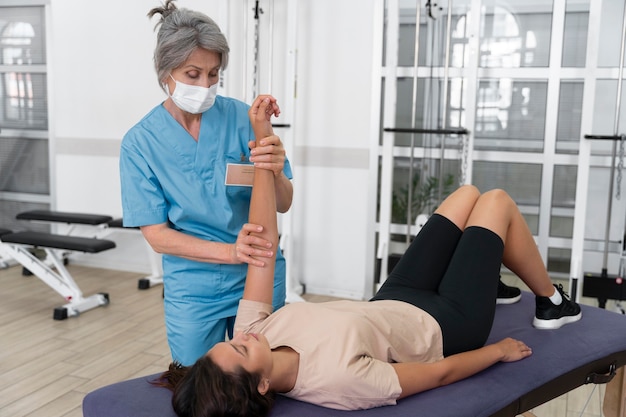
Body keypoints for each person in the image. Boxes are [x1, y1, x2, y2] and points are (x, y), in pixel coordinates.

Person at [154, 96, 582, 416]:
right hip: (448, 324)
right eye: (241, 351)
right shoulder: (339, 382)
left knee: (466, 195)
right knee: (496, 202)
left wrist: (262, 135)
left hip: (394, 298)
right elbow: (438, 374)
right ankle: (550, 301)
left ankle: (490, 276)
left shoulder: (254, 330)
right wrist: (497, 352)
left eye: (229, 343)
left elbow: (263, 247)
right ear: (263, 385)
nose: (241, 336)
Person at [119, 0, 293, 366]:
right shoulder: (141, 142)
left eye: (214, 74)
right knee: (198, 383)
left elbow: (284, 202)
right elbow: (157, 235)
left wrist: (276, 170)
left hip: (259, 271)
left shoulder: (242, 117)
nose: (205, 84)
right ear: (165, 72)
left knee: (264, 380)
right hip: (194, 285)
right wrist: (230, 252)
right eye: (193, 74)